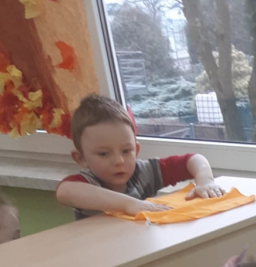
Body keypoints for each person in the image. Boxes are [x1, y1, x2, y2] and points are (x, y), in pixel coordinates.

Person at [55, 94, 224, 219]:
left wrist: (205, 181)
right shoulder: (86, 183)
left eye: (126, 151)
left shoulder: (143, 172)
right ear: (81, 158)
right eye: (104, 154)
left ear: (136, 149)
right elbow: (64, 192)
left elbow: (194, 159)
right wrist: (129, 204)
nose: (119, 161)